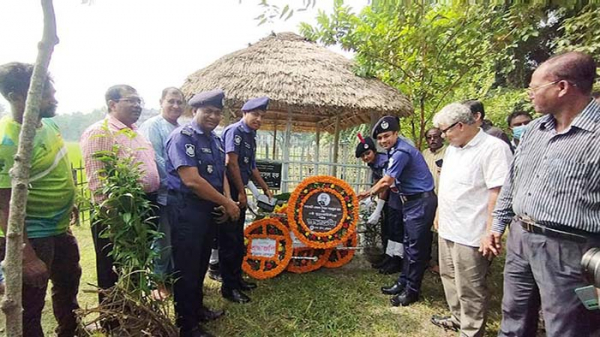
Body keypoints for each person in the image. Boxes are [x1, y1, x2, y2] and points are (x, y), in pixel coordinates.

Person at [481, 51, 600, 337]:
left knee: (569, 327)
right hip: (521, 238)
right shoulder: (534, 130)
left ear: (562, 87)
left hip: (571, 250)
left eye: (535, 88)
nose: (530, 94)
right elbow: (513, 182)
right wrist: (497, 226)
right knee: (513, 318)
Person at [0, 62, 81, 337]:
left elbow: (58, 166)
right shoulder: (7, 141)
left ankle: (69, 331)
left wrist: (69, 201)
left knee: (69, 282)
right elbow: (3, 202)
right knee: (30, 304)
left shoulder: (49, 123)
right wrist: (25, 254)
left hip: (59, 229)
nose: (54, 98)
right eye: (48, 93)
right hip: (33, 236)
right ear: (18, 97)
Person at [430, 103, 512, 337]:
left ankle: (472, 330)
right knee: (448, 276)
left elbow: (498, 192)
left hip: (472, 232)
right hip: (448, 226)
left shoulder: (493, 148)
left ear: (461, 125)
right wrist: (438, 212)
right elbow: (447, 186)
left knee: (470, 286)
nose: (443, 136)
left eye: (446, 131)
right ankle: (457, 318)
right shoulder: (454, 149)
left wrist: (490, 231)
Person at [165, 89, 239, 337]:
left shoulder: (216, 140)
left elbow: (221, 176)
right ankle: (186, 325)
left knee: (200, 264)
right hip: (186, 210)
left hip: (209, 209)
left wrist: (226, 200)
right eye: (208, 111)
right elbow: (192, 181)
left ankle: (197, 310)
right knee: (186, 267)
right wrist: (227, 204)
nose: (213, 116)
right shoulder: (183, 137)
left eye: (218, 112)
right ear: (194, 111)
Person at [80, 84, 160, 306]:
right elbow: (98, 180)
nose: (137, 105)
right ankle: (113, 320)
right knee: (111, 268)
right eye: (130, 100)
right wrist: (113, 219)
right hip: (117, 213)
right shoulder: (101, 131)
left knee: (137, 263)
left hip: (142, 206)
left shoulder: (135, 131)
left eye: (138, 100)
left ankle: (134, 309)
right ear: (112, 104)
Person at [359, 116, 437, 307]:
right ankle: (403, 281)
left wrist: (368, 193)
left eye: (387, 136)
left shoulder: (401, 152)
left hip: (420, 202)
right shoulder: (395, 150)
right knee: (408, 245)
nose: (383, 141)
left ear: (396, 133)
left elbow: (387, 181)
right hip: (410, 202)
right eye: (380, 138)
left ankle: (412, 290)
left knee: (415, 249)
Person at [220, 96, 273, 303]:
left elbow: (250, 167)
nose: (258, 119)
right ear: (244, 113)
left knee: (237, 237)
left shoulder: (251, 135)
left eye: (261, 116)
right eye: (255, 115)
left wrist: (265, 187)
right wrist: (241, 193)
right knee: (229, 240)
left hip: (239, 189)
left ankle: (237, 279)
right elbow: (230, 163)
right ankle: (228, 287)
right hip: (229, 191)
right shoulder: (235, 131)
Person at [139, 87, 185, 300]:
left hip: (181, 196)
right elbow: (156, 160)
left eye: (179, 102)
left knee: (177, 240)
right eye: (171, 101)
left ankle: (172, 279)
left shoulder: (180, 128)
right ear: (161, 102)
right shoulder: (153, 126)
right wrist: (178, 182)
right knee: (162, 241)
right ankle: (157, 282)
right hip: (163, 194)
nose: (176, 106)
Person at [355, 136, 403, 274]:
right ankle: (388, 257)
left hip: (397, 198)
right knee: (387, 229)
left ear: (374, 151)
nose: (365, 157)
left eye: (367, 153)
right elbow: (377, 182)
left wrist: (378, 208)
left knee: (396, 230)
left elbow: (385, 186)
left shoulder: (383, 162)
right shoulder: (374, 163)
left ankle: (397, 261)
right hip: (390, 200)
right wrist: (371, 197)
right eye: (363, 156)